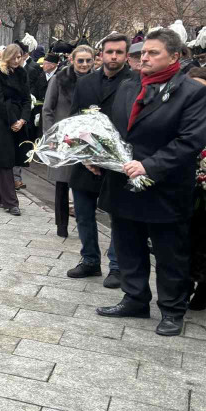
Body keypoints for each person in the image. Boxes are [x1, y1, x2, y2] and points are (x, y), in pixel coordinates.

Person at [95, 27, 206, 336]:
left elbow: (190, 141)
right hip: (122, 184)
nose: (143, 57)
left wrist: (149, 166)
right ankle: (135, 298)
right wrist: (96, 155)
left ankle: (173, 310)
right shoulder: (127, 87)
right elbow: (113, 131)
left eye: (152, 53)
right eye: (142, 52)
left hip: (165, 187)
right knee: (127, 246)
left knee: (170, 254)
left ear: (175, 56)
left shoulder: (194, 92)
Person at [67, 33, 133, 286]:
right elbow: (75, 120)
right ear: (100, 55)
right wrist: (85, 155)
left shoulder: (135, 81)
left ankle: (117, 266)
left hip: (119, 162)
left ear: (126, 55)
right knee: (83, 213)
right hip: (87, 160)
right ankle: (90, 260)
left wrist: (115, 156)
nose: (113, 56)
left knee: (118, 216)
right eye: (109, 52)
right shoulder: (86, 83)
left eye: (119, 52)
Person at [42, 44, 94, 238]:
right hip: (63, 138)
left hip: (87, 139)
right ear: (72, 60)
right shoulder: (59, 79)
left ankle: (84, 224)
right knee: (62, 183)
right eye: (80, 60)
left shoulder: (97, 80)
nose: (84, 64)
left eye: (88, 60)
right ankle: (61, 224)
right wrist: (51, 136)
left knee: (85, 182)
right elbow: (48, 109)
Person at [0, 44, 32, 216]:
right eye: (14, 56)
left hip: (19, 120)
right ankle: (10, 202)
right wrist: (12, 120)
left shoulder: (22, 73)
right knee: (5, 161)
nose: (17, 60)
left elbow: (27, 99)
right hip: (2, 122)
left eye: (19, 56)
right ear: (7, 57)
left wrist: (23, 119)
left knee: (14, 159)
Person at [187, 66, 206, 311]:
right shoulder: (182, 111)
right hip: (185, 187)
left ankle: (204, 290)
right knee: (184, 241)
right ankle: (182, 288)